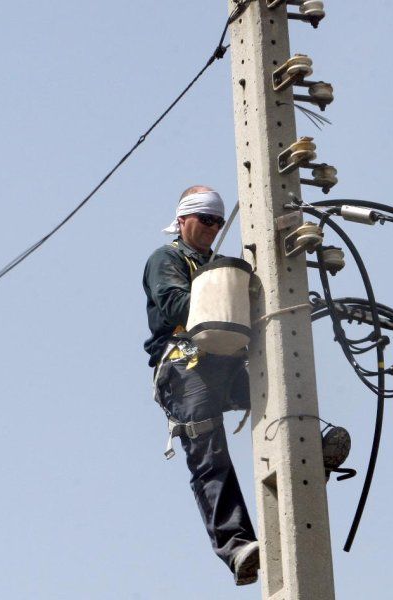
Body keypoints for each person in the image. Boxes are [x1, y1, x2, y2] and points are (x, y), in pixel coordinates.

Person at [142, 185, 260, 586]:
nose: (212, 227)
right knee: (209, 449)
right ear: (182, 220)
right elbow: (175, 305)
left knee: (280, 393)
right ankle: (237, 544)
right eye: (205, 219)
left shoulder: (219, 266)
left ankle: (312, 447)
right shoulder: (168, 259)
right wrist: (220, 294)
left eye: (217, 221)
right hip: (184, 363)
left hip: (226, 358)